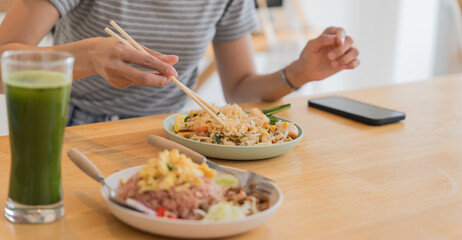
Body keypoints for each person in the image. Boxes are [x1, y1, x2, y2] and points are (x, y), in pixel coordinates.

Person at [0, 0, 359, 126]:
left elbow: (240, 86)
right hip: (67, 124)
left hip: (168, 129)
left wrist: (297, 73)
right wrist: (89, 57)